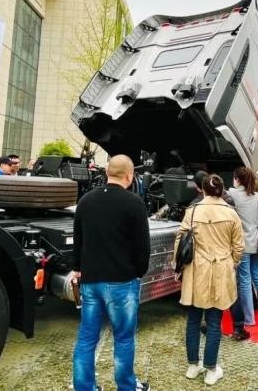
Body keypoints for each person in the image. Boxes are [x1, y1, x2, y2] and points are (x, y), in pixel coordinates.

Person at [71, 155, 151, 391]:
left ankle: (84, 387)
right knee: (124, 338)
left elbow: (78, 239)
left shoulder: (85, 201)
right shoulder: (134, 203)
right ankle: (126, 386)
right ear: (130, 175)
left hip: (91, 281)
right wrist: (139, 271)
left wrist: (77, 268)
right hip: (122, 282)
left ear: (107, 173)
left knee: (87, 338)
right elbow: (142, 247)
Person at [174, 174, 244, 385]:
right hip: (221, 270)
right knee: (214, 321)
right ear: (222, 190)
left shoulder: (193, 211)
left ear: (202, 190)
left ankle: (193, 365)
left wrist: (177, 266)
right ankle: (211, 369)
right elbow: (239, 246)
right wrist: (232, 262)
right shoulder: (231, 213)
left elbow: (180, 240)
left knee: (193, 320)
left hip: (196, 271)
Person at [228, 167, 258, 327]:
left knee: (244, 280)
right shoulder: (257, 196)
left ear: (237, 179)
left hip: (241, 244)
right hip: (256, 243)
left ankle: (249, 318)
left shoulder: (232, 193)